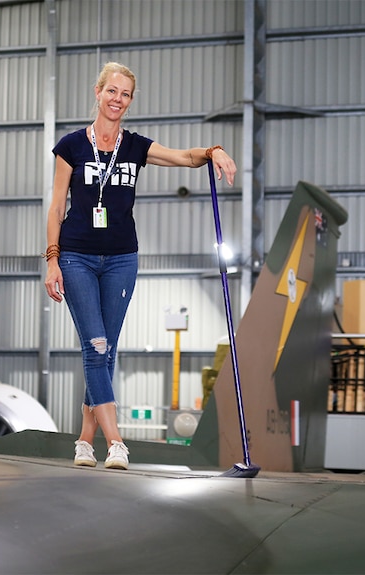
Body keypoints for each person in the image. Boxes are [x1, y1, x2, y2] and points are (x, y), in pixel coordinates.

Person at [43, 62, 237, 470]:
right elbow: (58, 204)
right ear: (97, 93)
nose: (117, 99)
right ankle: (116, 443)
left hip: (121, 259)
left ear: (130, 101)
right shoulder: (72, 146)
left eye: (125, 94)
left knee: (106, 351)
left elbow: (185, 157)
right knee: (95, 346)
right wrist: (52, 258)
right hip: (76, 255)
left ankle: (84, 440)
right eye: (111, 91)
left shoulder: (134, 146)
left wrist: (212, 150)